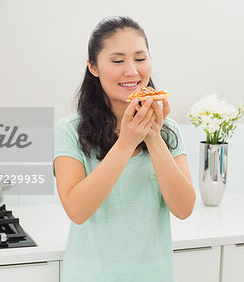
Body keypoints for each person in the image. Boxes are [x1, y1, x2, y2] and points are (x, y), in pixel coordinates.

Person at [53, 16, 196, 282]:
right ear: (93, 67)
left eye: (140, 59)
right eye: (118, 61)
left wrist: (154, 136)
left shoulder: (169, 129)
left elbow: (184, 208)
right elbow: (77, 210)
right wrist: (126, 142)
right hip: (90, 274)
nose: (132, 71)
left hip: (155, 274)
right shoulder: (69, 130)